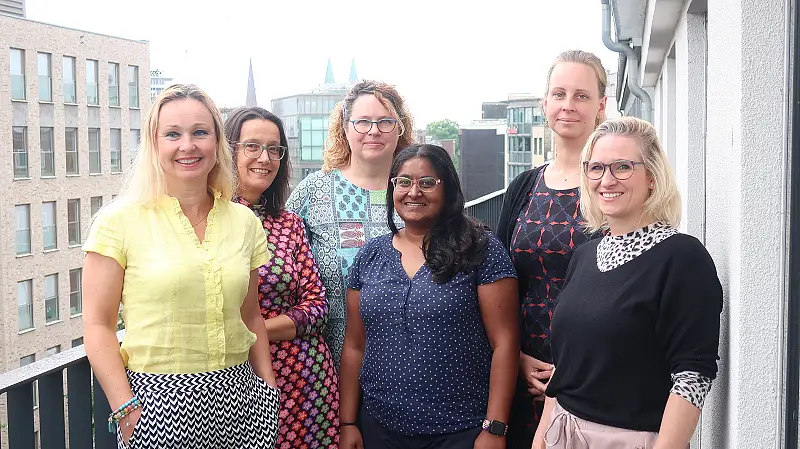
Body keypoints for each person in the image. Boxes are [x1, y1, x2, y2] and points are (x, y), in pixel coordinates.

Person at [82, 84, 280, 449]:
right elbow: (97, 324)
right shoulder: (118, 221)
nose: (187, 145)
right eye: (173, 134)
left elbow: (251, 314)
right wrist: (124, 408)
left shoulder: (244, 221)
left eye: (200, 132)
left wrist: (268, 390)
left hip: (243, 397)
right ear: (154, 144)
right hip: (157, 405)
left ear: (217, 143)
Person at [532, 117, 723, 449]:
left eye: (622, 167)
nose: (607, 180)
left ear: (651, 176)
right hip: (562, 434)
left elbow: (693, 376)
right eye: (596, 168)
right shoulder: (585, 255)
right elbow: (564, 369)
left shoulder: (683, 258)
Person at [339, 144, 519, 449]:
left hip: (461, 431)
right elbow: (355, 346)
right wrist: (348, 422)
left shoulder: (481, 249)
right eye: (404, 182)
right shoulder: (371, 255)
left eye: (427, 182)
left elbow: (505, 342)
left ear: (447, 188)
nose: (414, 192)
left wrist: (495, 428)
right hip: (380, 428)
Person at [496, 50, 609, 449]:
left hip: (593, 374)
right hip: (523, 372)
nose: (568, 105)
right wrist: (517, 360)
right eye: (559, 94)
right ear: (545, 103)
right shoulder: (524, 187)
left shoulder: (610, 188)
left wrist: (573, 368)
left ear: (601, 106)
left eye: (581, 95)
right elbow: (501, 283)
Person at [226, 107, 340, 448]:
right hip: (241, 382)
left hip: (308, 382)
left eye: (275, 149)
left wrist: (254, 331)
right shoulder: (210, 220)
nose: (265, 158)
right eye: (252, 146)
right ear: (228, 150)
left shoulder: (288, 222)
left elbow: (318, 307)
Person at [286, 80, 415, 368]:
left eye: (385, 122)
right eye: (362, 122)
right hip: (323, 369)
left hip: (406, 368)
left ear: (400, 128)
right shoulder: (313, 192)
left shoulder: (416, 193)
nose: (373, 131)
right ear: (345, 128)